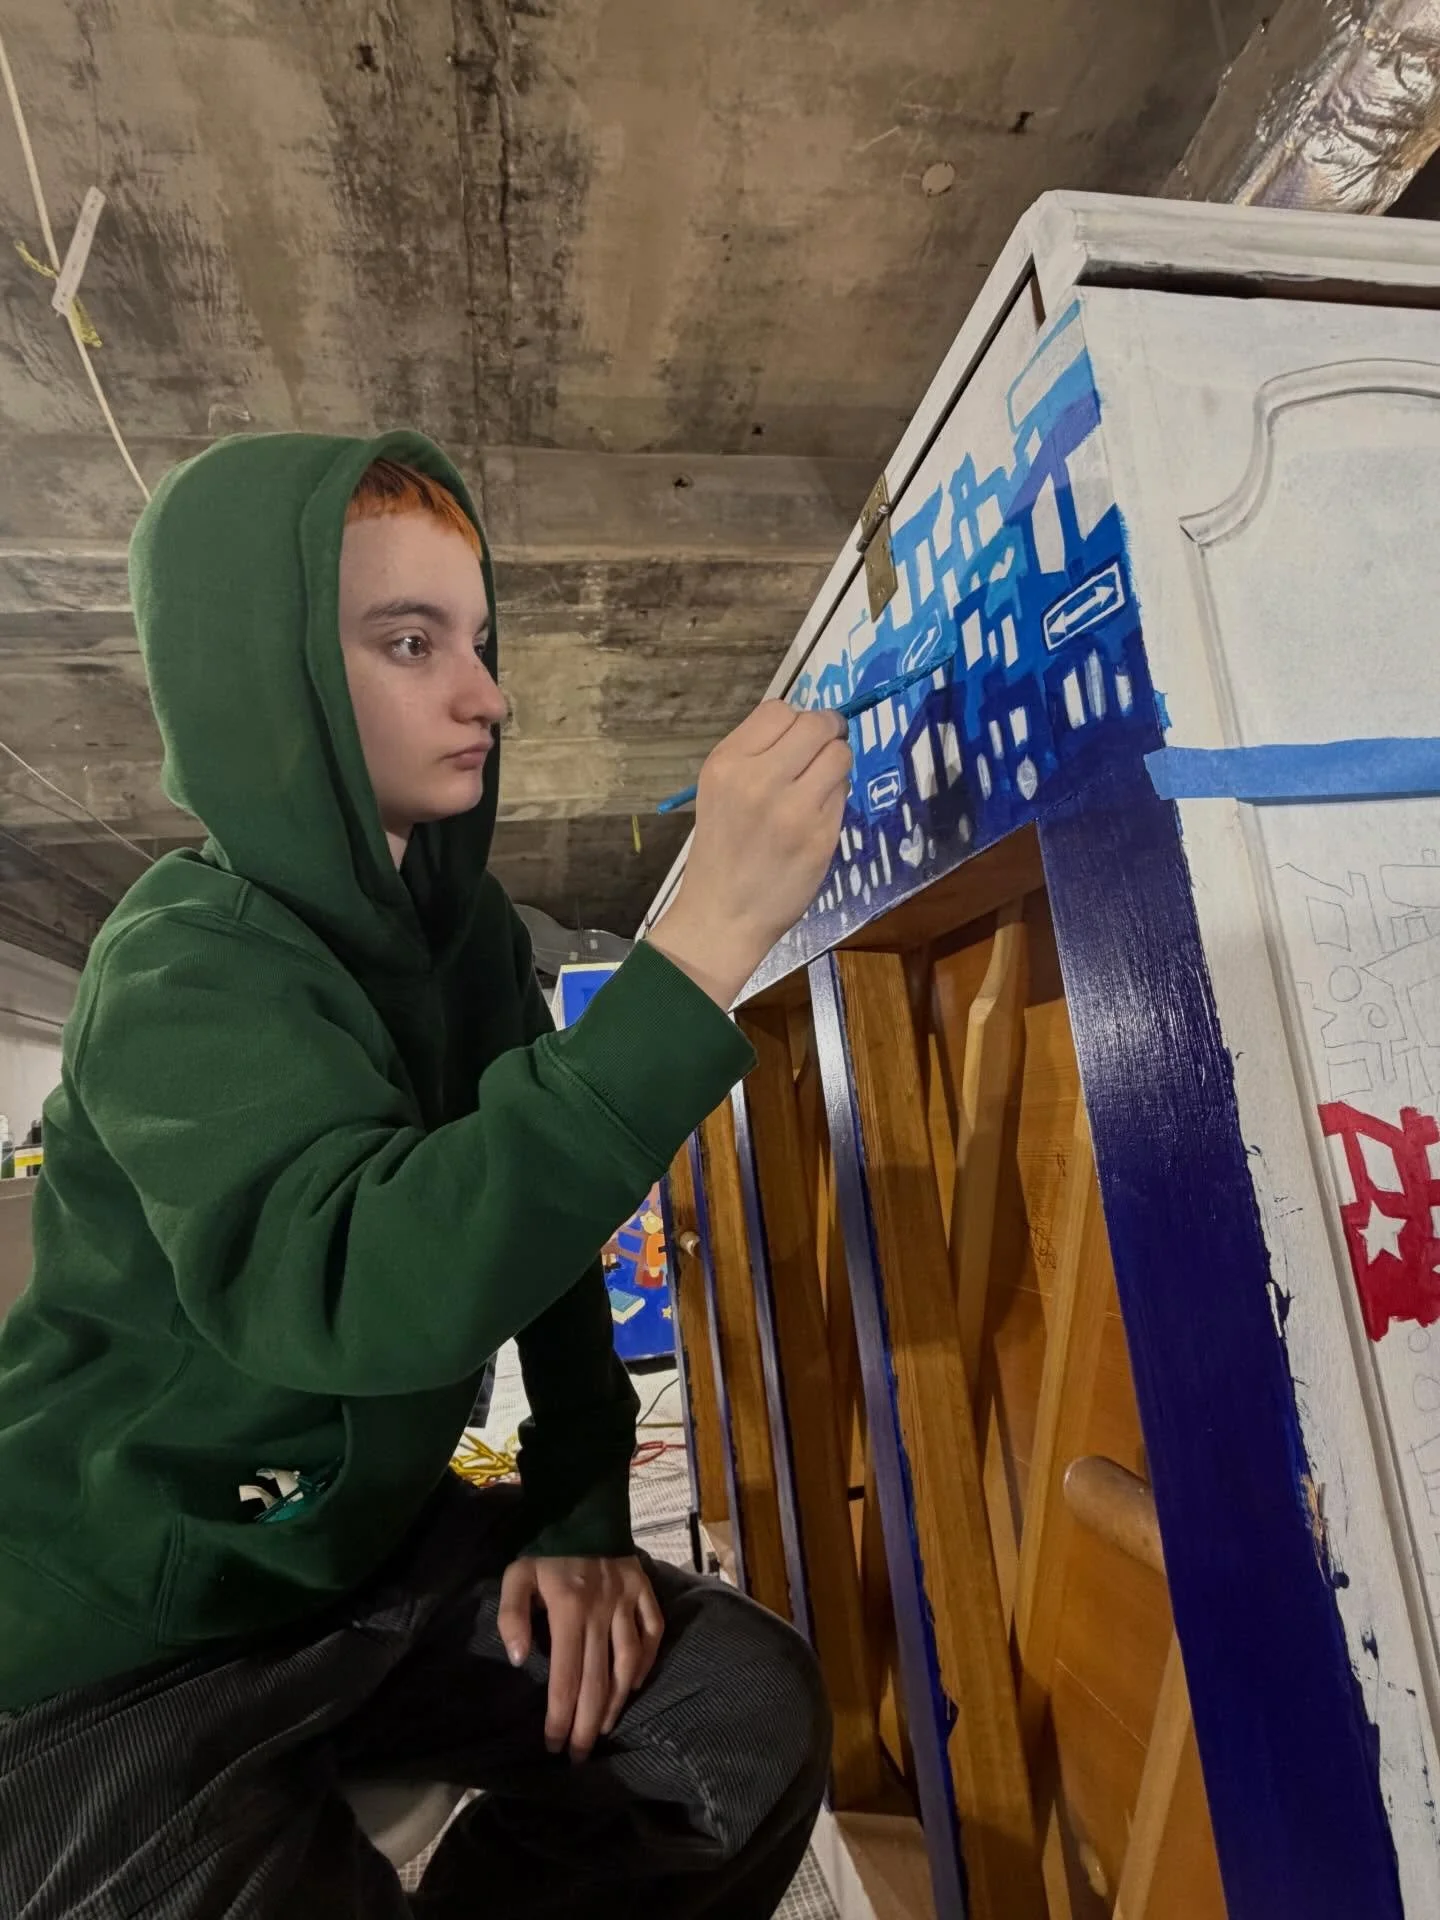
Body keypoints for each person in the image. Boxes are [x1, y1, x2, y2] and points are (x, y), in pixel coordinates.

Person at [0, 431, 852, 1916]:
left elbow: (545, 1239)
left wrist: (579, 1508)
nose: (487, 696)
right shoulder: (182, 963)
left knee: (734, 1718)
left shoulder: (470, 944)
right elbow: (353, 1290)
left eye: (477, 640)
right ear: (265, 677)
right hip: (114, 1626)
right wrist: (703, 939)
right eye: (410, 642)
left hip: (363, 1563)